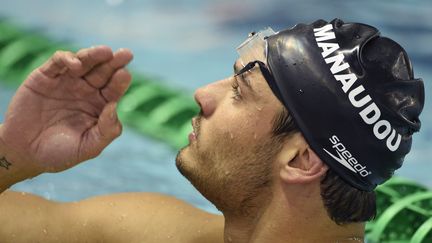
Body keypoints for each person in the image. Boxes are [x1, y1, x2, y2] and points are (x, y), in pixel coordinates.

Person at [0, 19, 424, 243]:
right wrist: (14, 153)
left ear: (300, 159)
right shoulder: (156, 231)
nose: (203, 94)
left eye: (240, 92)